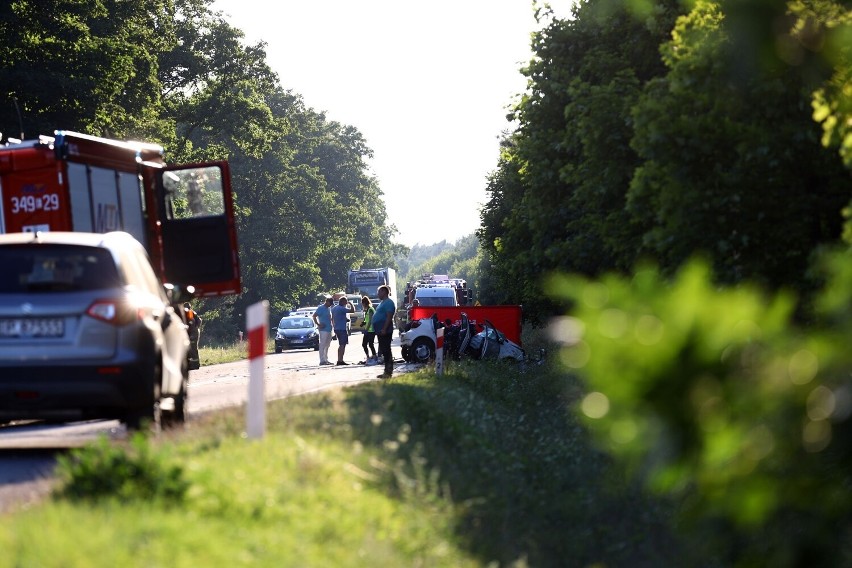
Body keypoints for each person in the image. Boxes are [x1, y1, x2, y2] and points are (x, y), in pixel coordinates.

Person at [372, 284, 396, 379]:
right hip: (380, 330)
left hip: (384, 330)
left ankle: (388, 371)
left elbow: (389, 317)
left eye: (379, 292)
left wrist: (384, 329)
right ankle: (386, 371)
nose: (378, 294)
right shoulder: (382, 303)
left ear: (384, 292)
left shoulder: (389, 303)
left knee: (386, 350)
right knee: (384, 350)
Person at [331, 296, 355, 365]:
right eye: (346, 301)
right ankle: (340, 360)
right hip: (342, 329)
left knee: (340, 344)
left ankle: (340, 359)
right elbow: (352, 311)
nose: (346, 303)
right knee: (342, 344)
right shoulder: (342, 308)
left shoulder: (334, 308)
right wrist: (351, 304)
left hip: (336, 328)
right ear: (343, 302)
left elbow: (334, 317)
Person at [313, 296, 334, 365]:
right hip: (323, 329)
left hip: (329, 328)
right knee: (322, 344)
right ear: (327, 301)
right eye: (330, 303)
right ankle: (322, 360)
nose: (330, 304)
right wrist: (318, 324)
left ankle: (326, 359)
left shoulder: (328, 308)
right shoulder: (321, 308)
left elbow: (330, 318)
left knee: (327, 345)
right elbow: (314, 316)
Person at [183, 302, 202, 370]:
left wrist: (193, 331)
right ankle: (193, 364)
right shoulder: (192, 312)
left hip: (193, 333)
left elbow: (192, 323)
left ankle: (195, 365)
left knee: (193, 348)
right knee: (190, 349)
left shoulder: (190, 313)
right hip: (193, 332)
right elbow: (199, 321)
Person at [360, 295, 377, 364]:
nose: (362, 305)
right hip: (368, 330)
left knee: (370, 344)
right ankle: (368, 356)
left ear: (364, 303)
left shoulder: (370, 310)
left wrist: (366, 329)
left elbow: (370, 320)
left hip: (371, 330)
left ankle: (374, 356)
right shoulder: (367, 310)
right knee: (364, 344)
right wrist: (363, 323)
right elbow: (367, 320)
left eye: (362, 304)